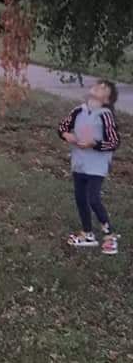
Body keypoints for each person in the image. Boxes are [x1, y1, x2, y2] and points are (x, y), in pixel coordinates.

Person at [58, 80, 120, 253]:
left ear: (107, 99)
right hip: (79, 164)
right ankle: (87, 233)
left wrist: (94, 144)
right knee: (80, 199)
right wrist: (66, 135)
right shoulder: (78, 110)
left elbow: (114, 142)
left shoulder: (105, 114)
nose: (98, 87)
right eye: (98, 85)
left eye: (104, 88)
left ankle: (109, 235)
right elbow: (62, 127)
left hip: (97, 166)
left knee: (93, 198)